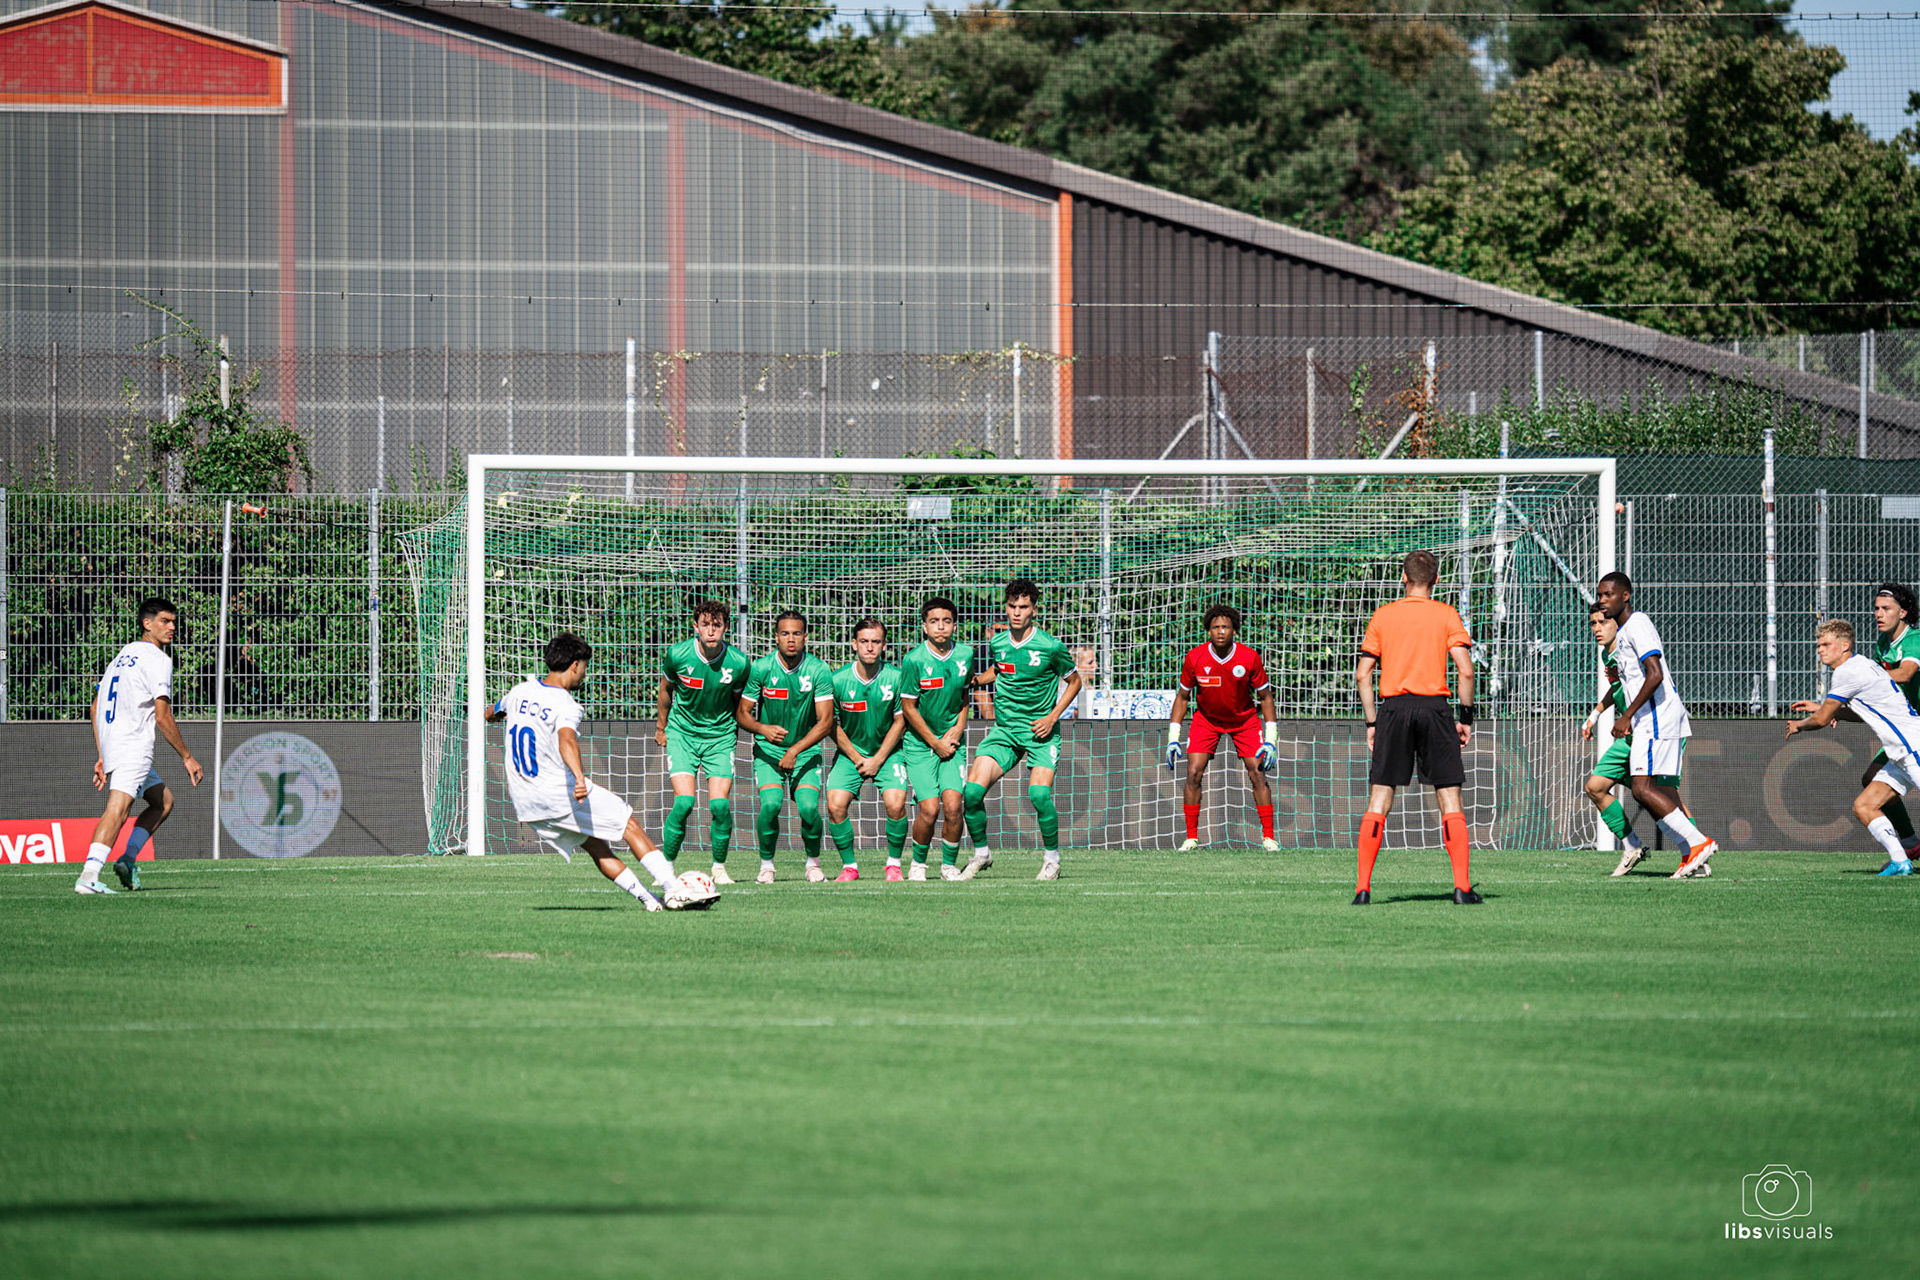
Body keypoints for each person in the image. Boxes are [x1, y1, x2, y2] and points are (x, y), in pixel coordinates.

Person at [488, 633, 689, 909]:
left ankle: (649, 900)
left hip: (527, 804)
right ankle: (674, 889)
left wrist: (498, 715)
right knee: (628, 823)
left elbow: (491, 713)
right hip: (558, 794)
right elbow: (567, 740)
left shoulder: (518, 692)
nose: (584, 673)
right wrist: (580, 778)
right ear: (574, 665)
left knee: (595, 845)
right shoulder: (566, 704)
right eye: (584, 666)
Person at [1352, 551, 1479, 905]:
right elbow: (1466, 671)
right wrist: (1466, 718)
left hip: (1393, 710)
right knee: (1449, 797)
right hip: (1435, 709)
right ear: (1436, 580)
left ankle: (1363, 889)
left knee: (1380, 798)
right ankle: (1462, 888)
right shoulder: (1446, 614)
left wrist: (1373, 722)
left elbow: (1362, 675)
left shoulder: (1383, 615)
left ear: (1403, 578)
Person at [957, 578, 1082, 882]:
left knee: (1038, 795)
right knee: (971, 793)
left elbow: (1075, 681)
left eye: (1023, 607)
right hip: (1005, 731)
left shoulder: (1050, 646)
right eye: (1012, 606)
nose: (1016, 612)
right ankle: (982, 854)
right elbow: (1001, 669)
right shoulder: (998, 643)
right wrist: (977, 680)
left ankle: (1052, 860)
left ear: (1034, 610)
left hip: (1040, 732)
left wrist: (1052, 717)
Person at [1596, 571, 1719, 879]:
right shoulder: (1624, 632)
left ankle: (1698, 843)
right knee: (1655, 791)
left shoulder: (1637, 623)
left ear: (1625, 596)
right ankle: (1692, 853)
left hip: (1655, 718)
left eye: (1609, 594)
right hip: (1652, 719)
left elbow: (1655, 674)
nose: (1603, 600)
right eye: (1600, 595)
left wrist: (1627, 715)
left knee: (1642, 789)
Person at [77, 597, 203, 894]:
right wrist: (187, 756)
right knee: (118, 809)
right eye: (164, 621)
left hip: (116, 744)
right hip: (133, 745)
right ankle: (89, 877)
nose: (172, 627)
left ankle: (128, 859)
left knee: (163, 802)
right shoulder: (158, 659)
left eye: (174, 622)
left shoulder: (122, 656)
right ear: (147, 624)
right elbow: (162, 716)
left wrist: (103, 754)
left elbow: (95, 708)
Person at [1786, 618, 1920, 876]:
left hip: (1913, 745)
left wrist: (1799, 725)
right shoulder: (1862, 665)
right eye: (1819, 645)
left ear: (1845, 645)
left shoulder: (1847, 672)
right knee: (1865, 806)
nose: (1820, 650)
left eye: (1826, 644)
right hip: (1900, 754)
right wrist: (1827, 711)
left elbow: (1821, 720)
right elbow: (1863, 713)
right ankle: (1900, 862)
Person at [1165, 603, 1281, 852]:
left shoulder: (1249, 657)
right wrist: (1173, 737)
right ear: (1208, 631)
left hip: (1245, 721)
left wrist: (1271, 740)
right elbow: (1183, 697)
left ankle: (1269, 838)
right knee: (1193, 772)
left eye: (1226, 627)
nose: (1220, 631)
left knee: (1257, 772)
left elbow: (1265, 698)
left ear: (1234, 631)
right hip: (1206, 721)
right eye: (1215, 627)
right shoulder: (1195, 657)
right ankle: (1191, 838)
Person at [656, 599, 752, 884]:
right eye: (705, 625)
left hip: (720, 738)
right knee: (684, 803)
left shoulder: (739, 662)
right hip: (682, 734)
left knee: (720, 806)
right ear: (695, 627)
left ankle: (719, 869)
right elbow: (665, 691)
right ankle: (665, 869)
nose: (711, 631)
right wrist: (661, 727)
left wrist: (735, 731)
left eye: (717, 625)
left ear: (726, 628)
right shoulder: (678, 654)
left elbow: (738, 702)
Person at [738, 610, 836, 882]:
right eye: (785, 633)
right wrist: (762, 728)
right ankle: (766, 866)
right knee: (770, 805)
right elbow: (742, 713)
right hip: (768, 752)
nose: (791, 639)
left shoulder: (818, 670)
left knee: (808, 809)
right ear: (776, 637)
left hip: (805, 752)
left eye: (796, 633)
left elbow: (826, 721)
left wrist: (794, 750)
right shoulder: (761, 668)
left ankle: (813, 864)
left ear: (806, 637)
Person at [824, 618, 911, 881]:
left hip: (889, 753)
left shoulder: (897, 677)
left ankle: (894, 865)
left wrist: (878, 759)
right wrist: (857, 757)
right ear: (854, 644)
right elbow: (830, 724)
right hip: (851, 754)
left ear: (884, 645)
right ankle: (849, 867)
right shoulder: (838, 679)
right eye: (864, 641)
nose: (870, 647)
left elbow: (901, 721)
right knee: (835, 804)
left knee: (896, 803)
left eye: (875, 641)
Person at [899, 596, 977, 880]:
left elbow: (964, 694)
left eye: (946, 621)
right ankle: (918, 864)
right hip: (921, 745)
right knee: (930, 809)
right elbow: (908, 707)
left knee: (954, 807)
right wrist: (935, 742)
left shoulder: (966, 654)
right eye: (934, 621)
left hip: (952, 744)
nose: (940, 627)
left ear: (954, 625)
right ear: (924, 626)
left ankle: (948, 866)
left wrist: (959, 727)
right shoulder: (914, 660)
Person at [1581, 603, 1659, 875]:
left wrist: (1628, 716)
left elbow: (1655, 679)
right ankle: (1632, 846)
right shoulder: (1608, 655)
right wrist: (1594, 715)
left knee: (1664, 799)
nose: (1597, 629)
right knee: (1595, 787)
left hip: (1651, 730)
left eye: (1602, 622)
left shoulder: (1632, 648)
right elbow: (1617, 688)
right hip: (1627, 736)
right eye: (1593, 623)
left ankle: (1695, 850)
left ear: (1617, 622)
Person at [1861, 583, 1920, 870]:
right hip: (1906, 730)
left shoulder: (1915, 639)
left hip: (1915, 731)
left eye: (1886, 608)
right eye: (1876, 608)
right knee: (1870, 780)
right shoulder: (1882, 644)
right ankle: (1910, 844)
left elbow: (1906, 674)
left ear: (1903, 612)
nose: (1878, 614)